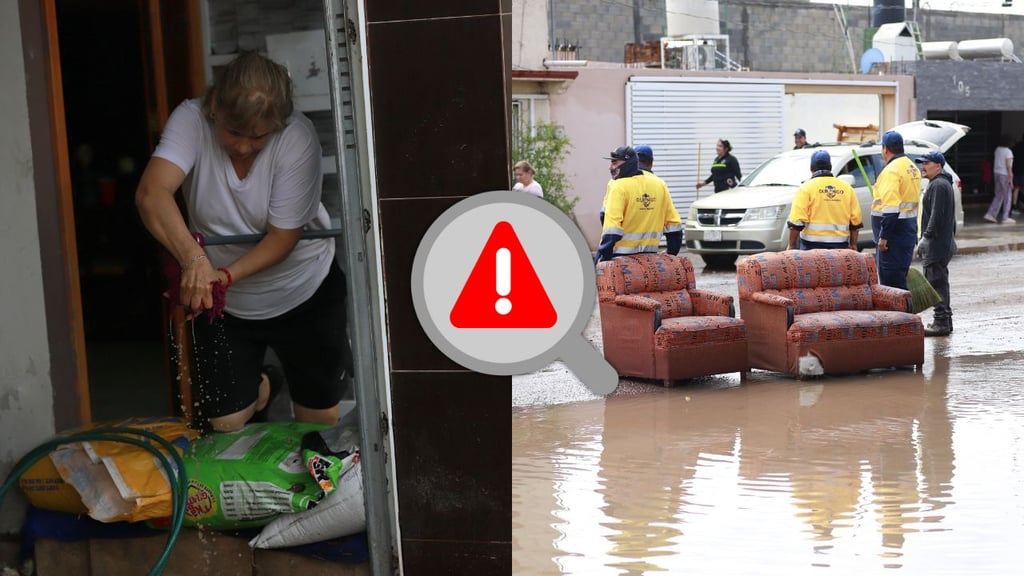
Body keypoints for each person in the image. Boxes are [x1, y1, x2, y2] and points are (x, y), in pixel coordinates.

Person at [135, 52, 353, 432]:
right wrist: (193, 260)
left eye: (258, 137)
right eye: (233, 132)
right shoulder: (191, 118)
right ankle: (265, 385)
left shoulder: (297, 138)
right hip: (227, 300)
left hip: (303, 289)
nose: (242, 147)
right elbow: (152, 194)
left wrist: (224, 274)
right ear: (214, 107)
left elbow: (282, 238)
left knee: (318, 422)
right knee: (226, 422)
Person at [595, 145, 682, 263]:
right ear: (651, 162)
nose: (610, 167)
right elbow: (673, 225)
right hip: (650, 258)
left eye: (614, 163)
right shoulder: (659, 184)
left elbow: (609, 224)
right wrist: (671, 254)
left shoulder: (617, 185)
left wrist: (605, 257)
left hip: (619, 256)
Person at [871, 130, 921, 290]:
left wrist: (884, 237)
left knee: (890, 287)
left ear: (885, 149)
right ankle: (905, 313)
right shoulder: (911, 167)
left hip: (892, 239)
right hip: (907, 233)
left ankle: (900, 315)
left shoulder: (891, 171)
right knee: (900, 280)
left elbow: (891, 209)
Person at [915, 151, 957, 337]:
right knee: (940, 282)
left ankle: (941, 322)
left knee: (936, 283)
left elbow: (936, 215)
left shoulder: (939, 185)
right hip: (942, 243)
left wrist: (926, 237)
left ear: (938, 165)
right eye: (922, 163)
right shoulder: (940, 183)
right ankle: (945, 321)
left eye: (927, 163)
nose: (923, 166)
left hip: (937, 245)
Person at [786, 150, 862, 251]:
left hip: (811, 247)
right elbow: (855, 221)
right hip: (840, 246)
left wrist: (791, 245)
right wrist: (853, 244)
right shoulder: (847, 188)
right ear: (830, 167)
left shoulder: (805, 188)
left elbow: (797, 221)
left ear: (811, 168)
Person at [983, 134, 1015, 224]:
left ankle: (990, 214)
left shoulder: (997, 149)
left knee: (998, 195)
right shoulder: (1008, 152)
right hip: (1005, 175)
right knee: (1008, 196)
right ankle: (1005, 217)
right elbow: (1009, 166)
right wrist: (1011, 179)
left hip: (996, 173)